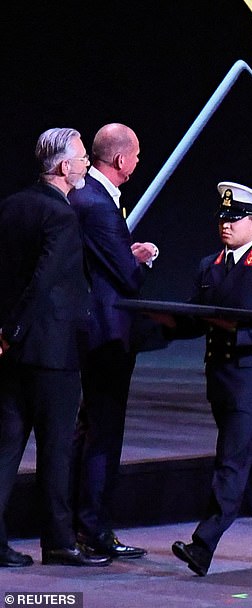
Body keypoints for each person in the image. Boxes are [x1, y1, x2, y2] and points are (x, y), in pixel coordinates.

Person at [169, 182, 252, 575]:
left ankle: (203, 545)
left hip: (251, 379)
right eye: (223, 218)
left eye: (235, 218)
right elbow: (195, 318)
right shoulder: (209, 265)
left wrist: (234, 334)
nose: (225, 225)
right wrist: (156, 326)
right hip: (221, 377)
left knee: (231, 461)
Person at [0, 128, 110, 567]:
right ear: (65, 167)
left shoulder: (9, 206)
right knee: (56, 450)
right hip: (50, 353)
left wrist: (5, 334)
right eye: (83, 158)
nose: (86, 165)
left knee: (6, 449)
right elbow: (45, 280)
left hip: (11, 354)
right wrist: (16, 328)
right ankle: (59, 543)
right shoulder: (62, 217)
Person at [70, 123, 158, 559]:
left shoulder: (92, 198)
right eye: (137, 155)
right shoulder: (98, 203)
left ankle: (87, 526)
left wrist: (125, 254)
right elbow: (123, 275)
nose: (139, 162)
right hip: (105, 332)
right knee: (103, 432)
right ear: (121, 160)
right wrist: (139, 259)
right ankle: (93, 529)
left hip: (96, 329)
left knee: (92, 429)